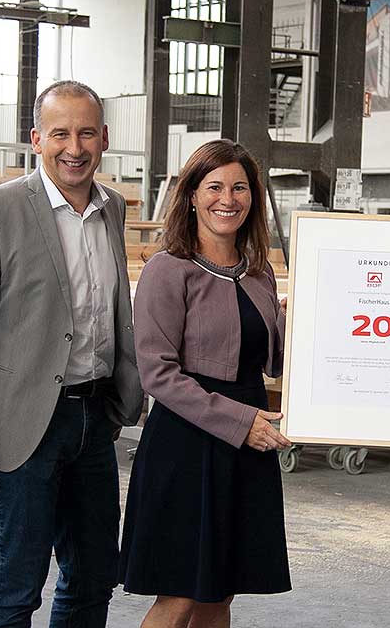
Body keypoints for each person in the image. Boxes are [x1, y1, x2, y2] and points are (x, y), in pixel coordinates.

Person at [0, 79, 143, 628]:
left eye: (85, 133)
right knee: (15, 586)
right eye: (60, 133)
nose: (73, 147)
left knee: (95, 575)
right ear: (36, 138)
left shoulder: (113, 209)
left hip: (93, 418)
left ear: (104, 138)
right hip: (21, 425)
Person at [119, 139, 292, 628]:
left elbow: (273, 364)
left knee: (220, 596)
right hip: (188, 443)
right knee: (179, 597)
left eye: (240, 187)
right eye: (214, 186)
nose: (228, 198)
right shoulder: (166, 270)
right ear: (192, 194)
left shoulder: (259, 274)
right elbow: (157, 373)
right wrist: (241, 424)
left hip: (247, 445)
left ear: (253, 198)